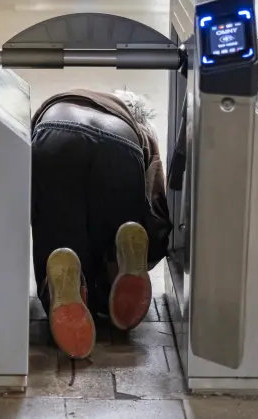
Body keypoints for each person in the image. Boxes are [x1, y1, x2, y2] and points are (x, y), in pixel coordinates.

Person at [31, 88, 172, 359]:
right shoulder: (140, 128)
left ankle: (66, 286)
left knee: (60, 245)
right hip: (122, 145)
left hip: (55, 132)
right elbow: (156, 204)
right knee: (111, 239)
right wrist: (153, 248)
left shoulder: (68, 99)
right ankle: (116, 267)